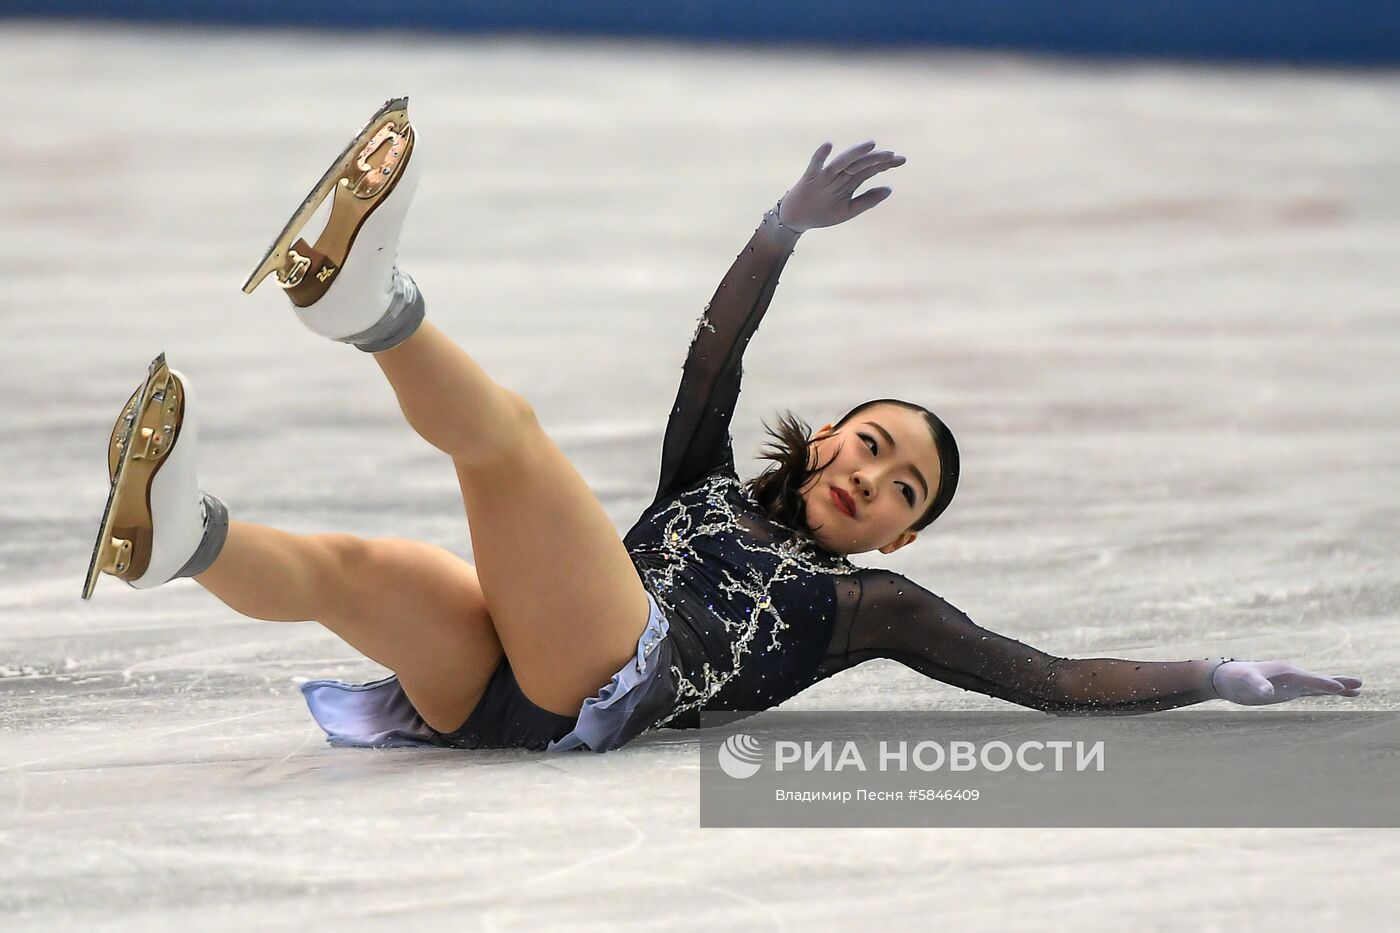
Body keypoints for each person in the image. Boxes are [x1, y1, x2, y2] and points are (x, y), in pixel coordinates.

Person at [83, 99, 1363, 753]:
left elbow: (1046, 681)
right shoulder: (701, 476)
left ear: (904, 538)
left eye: (905, 486)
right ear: (820, 443)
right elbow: (717, 349)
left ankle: (369, 308)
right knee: (362, 573)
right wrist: (778, 229)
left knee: (513, 444)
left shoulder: (870, 613)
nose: (874, 474)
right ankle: (179, 535)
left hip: (605, 679)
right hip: (499, 700)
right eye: (869, 441)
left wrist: (1203, 677)